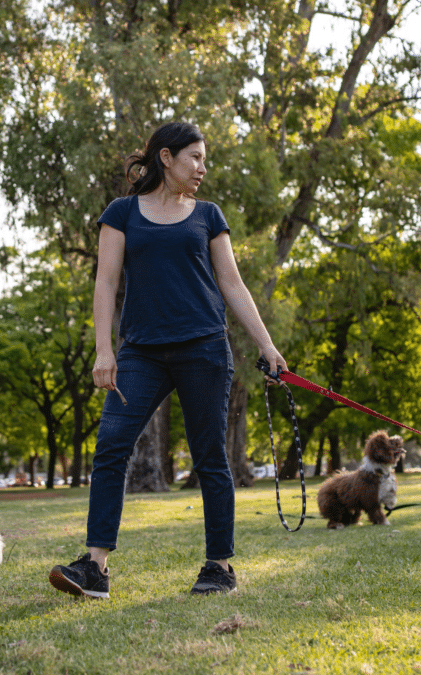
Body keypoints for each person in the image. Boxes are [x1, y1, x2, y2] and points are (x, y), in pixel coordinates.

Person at [47, 121, 286, 598]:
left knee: (210, 456)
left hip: (203, 348)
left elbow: (232, 284)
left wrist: (267, 345)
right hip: (141, 352)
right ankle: (95, 568)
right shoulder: (122, 213)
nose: (202, 168)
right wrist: (103, 349)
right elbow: (106, 284)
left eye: (204, 159)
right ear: (166, 158)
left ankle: (218, 566)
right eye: (194, 157)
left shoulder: (208, 215)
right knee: (112, 444)